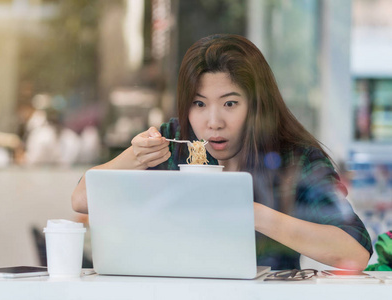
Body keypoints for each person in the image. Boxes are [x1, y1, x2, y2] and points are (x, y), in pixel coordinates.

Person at [72, 34, 372, 270]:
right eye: (199, 104)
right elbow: (81, 199)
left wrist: (247, 211)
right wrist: (135, 158)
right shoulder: (175, 142)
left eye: (230, 103)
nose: (213, 122)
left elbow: (354, 252)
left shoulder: (293, 157)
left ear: (256, 106)